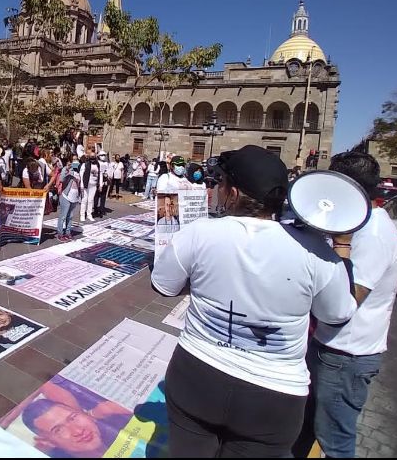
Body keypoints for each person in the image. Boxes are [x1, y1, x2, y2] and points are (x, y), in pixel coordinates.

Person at [151, 145, 357, 457]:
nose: (216, 191)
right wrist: (341, 248)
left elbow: (165, 285)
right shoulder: (318, 253)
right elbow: (337, 314)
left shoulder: (199, 233)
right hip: (274, 398)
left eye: (220, 184)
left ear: (233, 193)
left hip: (196, 376)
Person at [302, 151, 397, 458]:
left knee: (334, 441)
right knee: (307, 428)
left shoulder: (373, 234)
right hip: (329, 348)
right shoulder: (357, 224)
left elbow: (344, 304)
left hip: (344, 356)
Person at [18, 377, 132, 457]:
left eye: (73, 418)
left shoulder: (116, 426)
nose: (78, 431)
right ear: (47, 442)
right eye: (58, 430)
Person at [56, 154, 82, 242]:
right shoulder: (67, 169)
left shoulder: (78, 171)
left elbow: (79, 184)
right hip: (66, 196)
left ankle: (68, 232)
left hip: (74, 196)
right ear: (70, 161)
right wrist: (66, 169)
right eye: (73, 160)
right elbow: (61, 179)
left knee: (70, 216)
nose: (75, 162)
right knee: (63, 216)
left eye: (76, 160)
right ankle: (60, 233)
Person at [79, 151, 102, 222]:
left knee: (90, 200)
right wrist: (82, 185)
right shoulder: (85, 164)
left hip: (94, 185)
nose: (92, 158)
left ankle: (89, 214)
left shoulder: (98, 164)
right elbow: (81, 175)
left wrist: (100, 184)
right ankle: (82, 215)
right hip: (86, 184)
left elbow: (100, 174)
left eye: (94, 157)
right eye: (91, 157)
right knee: (84, 200)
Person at [93, 150, 110, 218]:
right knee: (96, 196)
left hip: (105, 181)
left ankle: (102, 209)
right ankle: (95, 210)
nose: (103, 156)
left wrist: (107, 175)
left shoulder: (107, 163)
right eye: (102, 155)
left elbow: (109, 171)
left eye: (104, 155)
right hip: (97, 182)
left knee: (103, 196)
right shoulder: (96, 163)